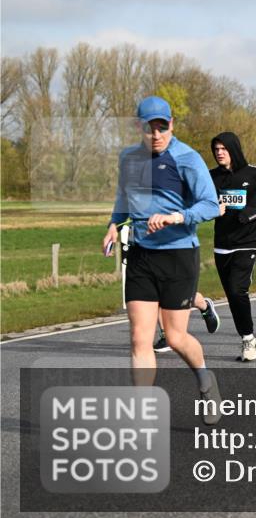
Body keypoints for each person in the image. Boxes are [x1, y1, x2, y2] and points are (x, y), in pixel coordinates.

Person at [101, 96, 222, 424]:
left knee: (175, 337)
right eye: (149, 127)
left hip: (179, 254)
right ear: (139, 127)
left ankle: (205, 381)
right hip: (141, 255)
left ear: (172, 125)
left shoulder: (187, 158)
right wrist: (114, 224)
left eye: (162, 127)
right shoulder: (129, 158)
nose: (156, 134)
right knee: (140, 338)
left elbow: (211, 205)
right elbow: (124, 198)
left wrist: (175, 217)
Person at [209, 132, 256, 362]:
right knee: (231, 295)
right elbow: (201, 203)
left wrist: (249, 214)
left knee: (238, 290)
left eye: (223, 148)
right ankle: (247, 335)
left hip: (247, 243)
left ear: (234, 149)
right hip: (222, 244)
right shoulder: (211, 177)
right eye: (216, 149)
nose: (219, 152)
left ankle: (248, 339)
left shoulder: (254, 173)